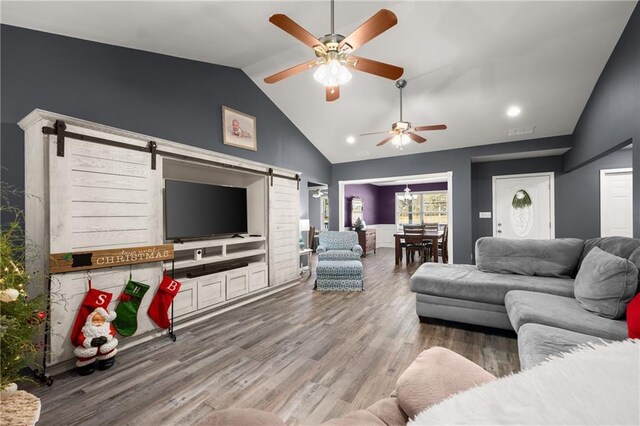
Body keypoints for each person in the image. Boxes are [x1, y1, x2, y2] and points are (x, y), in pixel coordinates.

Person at [73, 307, 118, 375]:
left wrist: (106, 338)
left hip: (105, 350)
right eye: (96, 320)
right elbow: (80, 338)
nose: (99, 322)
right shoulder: (86, 330)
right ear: (90, 320)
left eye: (102, 320)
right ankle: (87, 366)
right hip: (91, 349)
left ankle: (107, 360)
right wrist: (90, 342)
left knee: (108, 350)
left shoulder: (106, 328)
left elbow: (112, 332)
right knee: (86, 355)